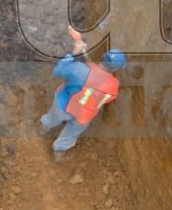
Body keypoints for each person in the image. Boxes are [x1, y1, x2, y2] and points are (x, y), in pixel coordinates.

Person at [40, 26, 125, 157]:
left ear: (103, 57)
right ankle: (59, 151)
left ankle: (43, 128)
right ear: (116, 69)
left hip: (63, 105)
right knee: (71, 133)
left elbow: (58, 70)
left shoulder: (79, 69)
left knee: (52, 118)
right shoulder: (114, 85)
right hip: (84, 115)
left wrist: (74, 52)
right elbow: (109, 98)